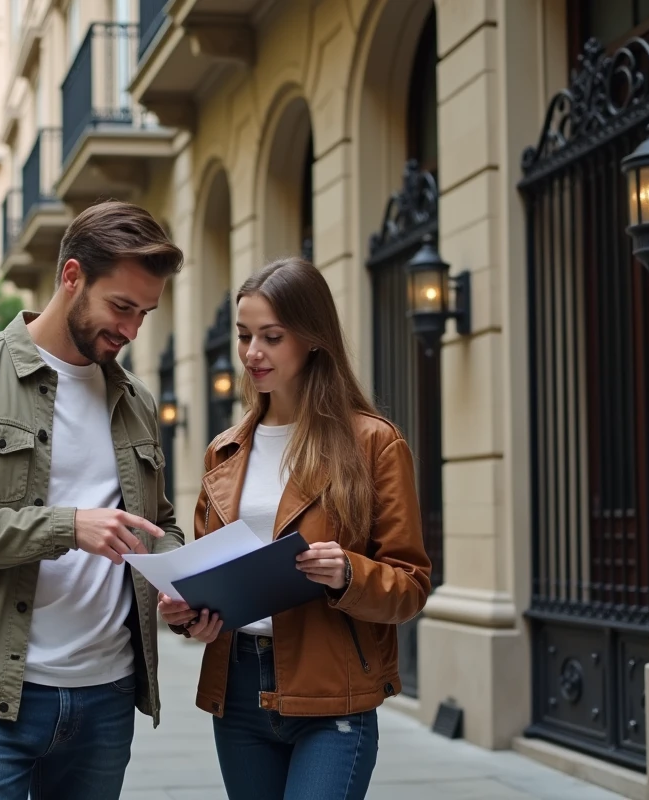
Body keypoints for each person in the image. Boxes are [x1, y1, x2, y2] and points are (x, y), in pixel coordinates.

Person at [0, 200, 187, 800]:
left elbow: (159, 525)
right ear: (72, 276)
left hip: (108, 696)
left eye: (145, 314)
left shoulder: (135, 400)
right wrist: (65, 527)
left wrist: (183, 584)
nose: (132, 330)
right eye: (122, 307)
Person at [159, 257, 433, 800]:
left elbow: (410, 586)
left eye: (271, 337)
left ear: (311, 337)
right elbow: (208, 571)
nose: (252, 353)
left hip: (333, 694)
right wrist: (188, 615)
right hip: (236, 694)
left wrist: (345, 573)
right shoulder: (225, 449)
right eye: (244, 336)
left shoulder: (373, 443)